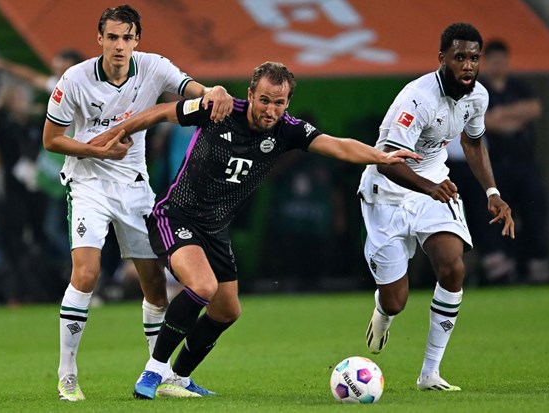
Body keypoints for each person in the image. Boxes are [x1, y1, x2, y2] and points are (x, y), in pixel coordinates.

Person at [88, 61, 421, 399]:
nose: (270, 109)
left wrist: (381, 156)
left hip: (215, 229)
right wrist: (118, 132)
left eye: (279, 103)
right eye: (264, 100)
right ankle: (153, 371)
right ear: (250, 95)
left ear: (287, 103)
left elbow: (337, 145)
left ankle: (179, 377)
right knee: (202, 286)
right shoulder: (218, 108)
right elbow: (160, 112)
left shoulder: (288, 130)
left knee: (226, 310)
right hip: (177, 216)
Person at [41, 5, 233, 401]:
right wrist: (98, 152)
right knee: (87, 274)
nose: (120, 46)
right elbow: (51, 139)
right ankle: (68, 375)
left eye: (127, 38)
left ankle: (158, 375)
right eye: (112, 37)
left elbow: (194, 90)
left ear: (137, 41)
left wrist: (215, 92)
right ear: (99, 39)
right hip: (88, 185)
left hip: (135, 188)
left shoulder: (153, 67)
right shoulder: (74, 80)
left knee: (155, 287)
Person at [358, 23, 515, 391]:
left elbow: (474, 143)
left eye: (474, 58)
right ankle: (383, 311)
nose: (468, 66)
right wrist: (429, 187)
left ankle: (429, 373)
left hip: (433, 187)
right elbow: (385, 160)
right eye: (459, 57)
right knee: (396, 300)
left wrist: (491, 191)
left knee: (452, 267)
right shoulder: (417, 100)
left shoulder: (478, 97)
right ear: (442, 58)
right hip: (388, 192)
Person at [478, 39, 549, 284]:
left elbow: (533, 109)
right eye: (494, 61)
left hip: (524, 164)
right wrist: (508, 118)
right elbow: (484, 122)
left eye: (502, 60)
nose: (499, 65)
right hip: (497, 165)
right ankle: (501, 269)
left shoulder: (520, 86)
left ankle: (538, 265)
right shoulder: (480, 90)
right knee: (497, 216)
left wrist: (501, 115)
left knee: (533, 212)